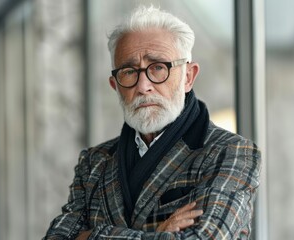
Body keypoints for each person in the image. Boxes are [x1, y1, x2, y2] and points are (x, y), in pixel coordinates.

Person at [43, 5, 261, 240]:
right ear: (115, 85)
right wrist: (157, 234)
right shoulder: (94, 162)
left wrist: (89, 236)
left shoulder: (231, 152)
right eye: (129, 71)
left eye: (158, 67)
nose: (142, 86)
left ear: (188, 77)